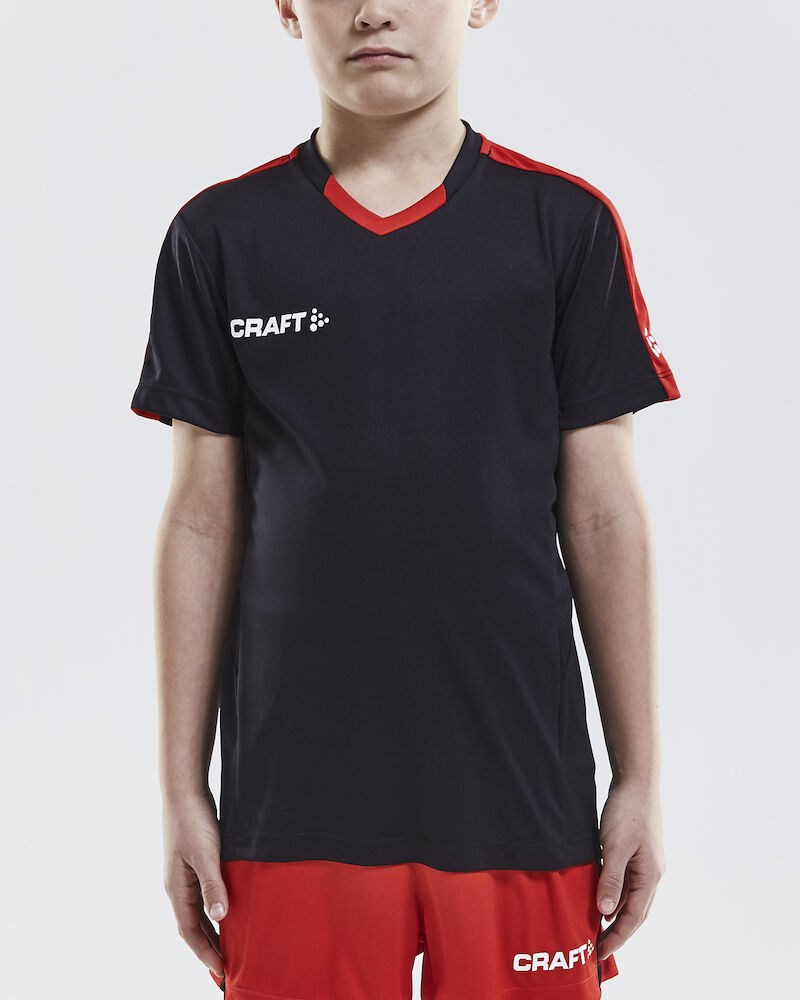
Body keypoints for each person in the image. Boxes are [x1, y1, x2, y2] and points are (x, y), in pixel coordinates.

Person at [130, 1, 680, 997]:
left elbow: (604, 515)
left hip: (518, 788)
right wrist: (179, 788)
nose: (375, 10)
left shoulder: (563, 226)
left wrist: (639, 774)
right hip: (294, 798)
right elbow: (201, 520)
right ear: (287, 8)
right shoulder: (220, 237)